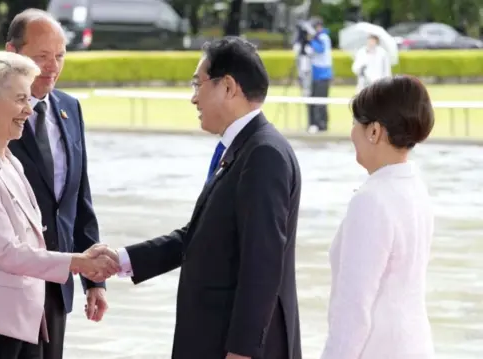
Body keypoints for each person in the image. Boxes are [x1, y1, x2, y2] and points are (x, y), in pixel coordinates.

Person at [94, 37, 303, 359]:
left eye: (198, 84)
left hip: (235, 347)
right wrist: (122, 259)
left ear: (229, 86)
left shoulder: (263, 154)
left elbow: (263, 262)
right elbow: (202, 235)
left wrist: (242, 351)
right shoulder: (244, 149)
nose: (193, 99)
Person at [0, 9, 108, 359]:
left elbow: (78, 200)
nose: (28, 109)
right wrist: (80, 262)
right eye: (42, 56)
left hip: (42, 297)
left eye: (60, 56)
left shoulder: (14, 158)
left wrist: (91, 276)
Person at [320, 75, 435, 359]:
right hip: (415, 345)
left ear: (374, 131)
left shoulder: (371, 200)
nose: (351, 133)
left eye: (355, 123)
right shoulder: (414, 185)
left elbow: (353, 310)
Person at [307, 16, 333, 134]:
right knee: (312, 100)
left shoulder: (323, 37)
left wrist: (311, 39)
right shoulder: (317, 38)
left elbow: (320, 49)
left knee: (320, 102)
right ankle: (313, 123)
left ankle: (322, 125)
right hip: (314, 75)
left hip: (323, 75)